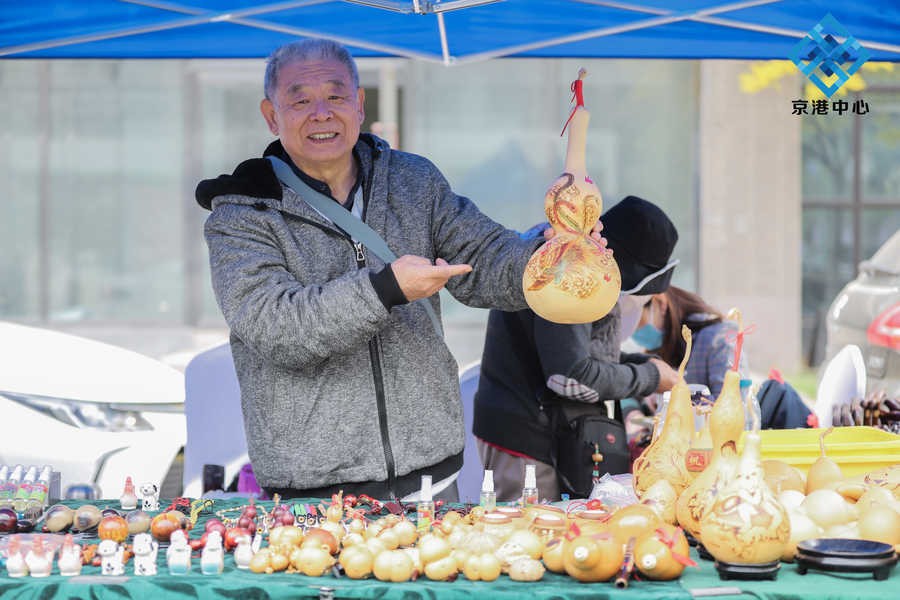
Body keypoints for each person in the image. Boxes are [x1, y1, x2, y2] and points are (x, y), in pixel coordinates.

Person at [195, 39, 606, 502]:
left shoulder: (413, 181)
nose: (321, 112)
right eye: (300, 99)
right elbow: (276, 327)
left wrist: (547, 258)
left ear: (359, 103)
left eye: (335, 95)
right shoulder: (244, 212)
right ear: (271, 115)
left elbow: (484, 256)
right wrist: (385, 289)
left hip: (432, 476)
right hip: (312, 491)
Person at [473, 195, 681, 502]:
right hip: (527, 436)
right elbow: (571, 375)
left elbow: (585, 355)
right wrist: (648, 376)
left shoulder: (583, 264)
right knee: (534, 535)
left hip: (547, 430)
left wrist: (645, 367)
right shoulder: (570, 268)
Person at [631, 285, 747, 400]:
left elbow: (729, 403)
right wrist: (633, 411)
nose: (631, 330)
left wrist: (671, 397)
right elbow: (633, 393)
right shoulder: (661, 345)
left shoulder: (720, 337)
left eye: (634, 318)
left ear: (660, 303)